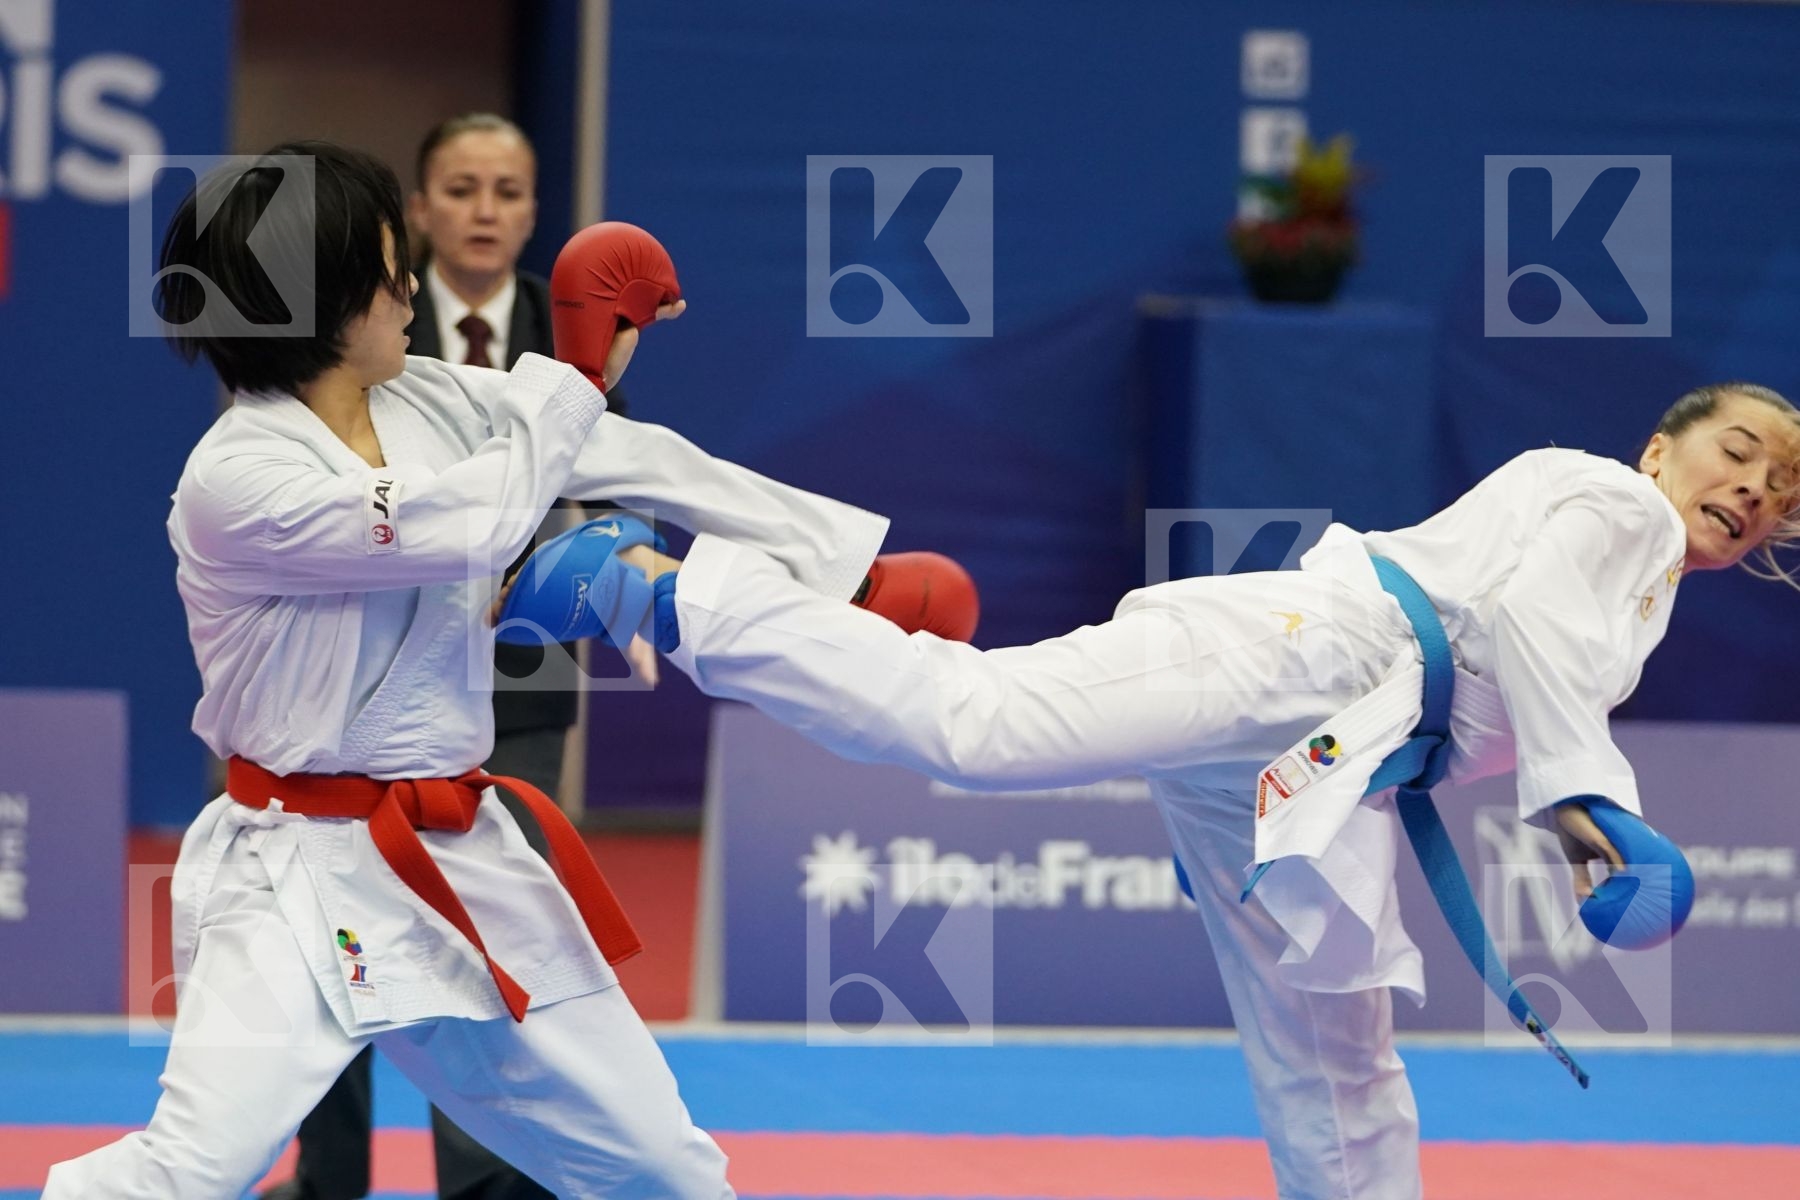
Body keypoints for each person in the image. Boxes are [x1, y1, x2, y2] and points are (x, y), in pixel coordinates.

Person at [636, 385, 1798, 1199]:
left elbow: (1527, 665)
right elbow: (1532, 618)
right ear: (1661, 449)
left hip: (1333, 767)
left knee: (1337, 1046)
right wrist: (1583, 802)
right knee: (975, 726)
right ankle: (672, 598)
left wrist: (1580, 798)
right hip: (1301, 655)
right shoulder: (1614, 504)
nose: (1753, 488)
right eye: (1738, 451)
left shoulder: (1644, 598)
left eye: (1783, 487)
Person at [44, 140, 890, 1198]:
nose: (411, 288)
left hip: (460, 857)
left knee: (664, 1167)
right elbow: (479, 518)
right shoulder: (238, 474)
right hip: (290, 874)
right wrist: (572, 376)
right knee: (197, 1167)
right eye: (391, 270)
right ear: (323, 299)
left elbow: (622, 455)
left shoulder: (429, 397)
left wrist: (842, 568)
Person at [262, 112, 636, 1200]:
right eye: (462, 190)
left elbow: (614, 487)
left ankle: (488, 1182)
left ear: (530, 211)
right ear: (420, 212)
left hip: (517, 679)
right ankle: (328, 1174)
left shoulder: (568, 340)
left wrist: (623, 574)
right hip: (359, 682)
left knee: (489, 931)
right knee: (332, 935)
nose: (485, 211)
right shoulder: (362, 325)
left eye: (508, 191)